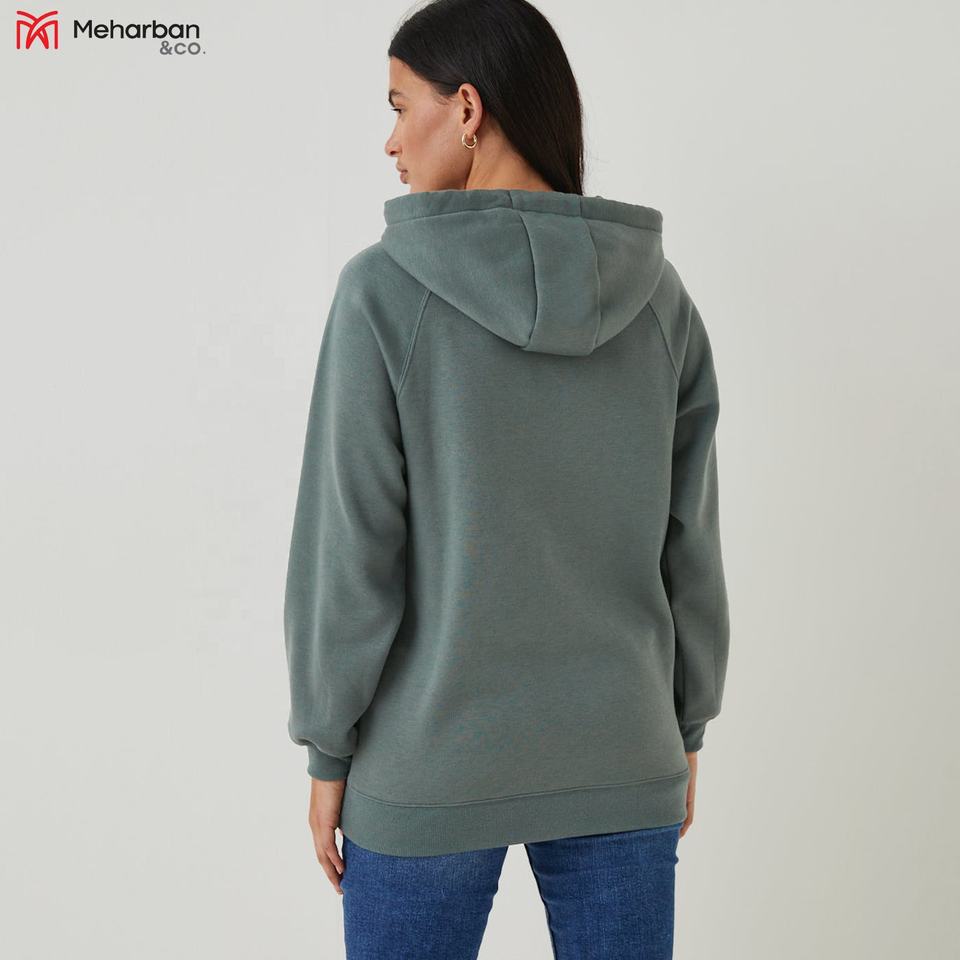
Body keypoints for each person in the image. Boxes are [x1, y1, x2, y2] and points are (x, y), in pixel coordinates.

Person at [283, 1, 731, 956]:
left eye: (400, 106)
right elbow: (689, 540)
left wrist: (327, 748)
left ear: (467, 108)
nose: (389, 140)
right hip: (623, 750)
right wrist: (685, 727)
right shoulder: (660, 298)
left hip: (427, 765)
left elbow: (351, 546)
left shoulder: (382, 292)